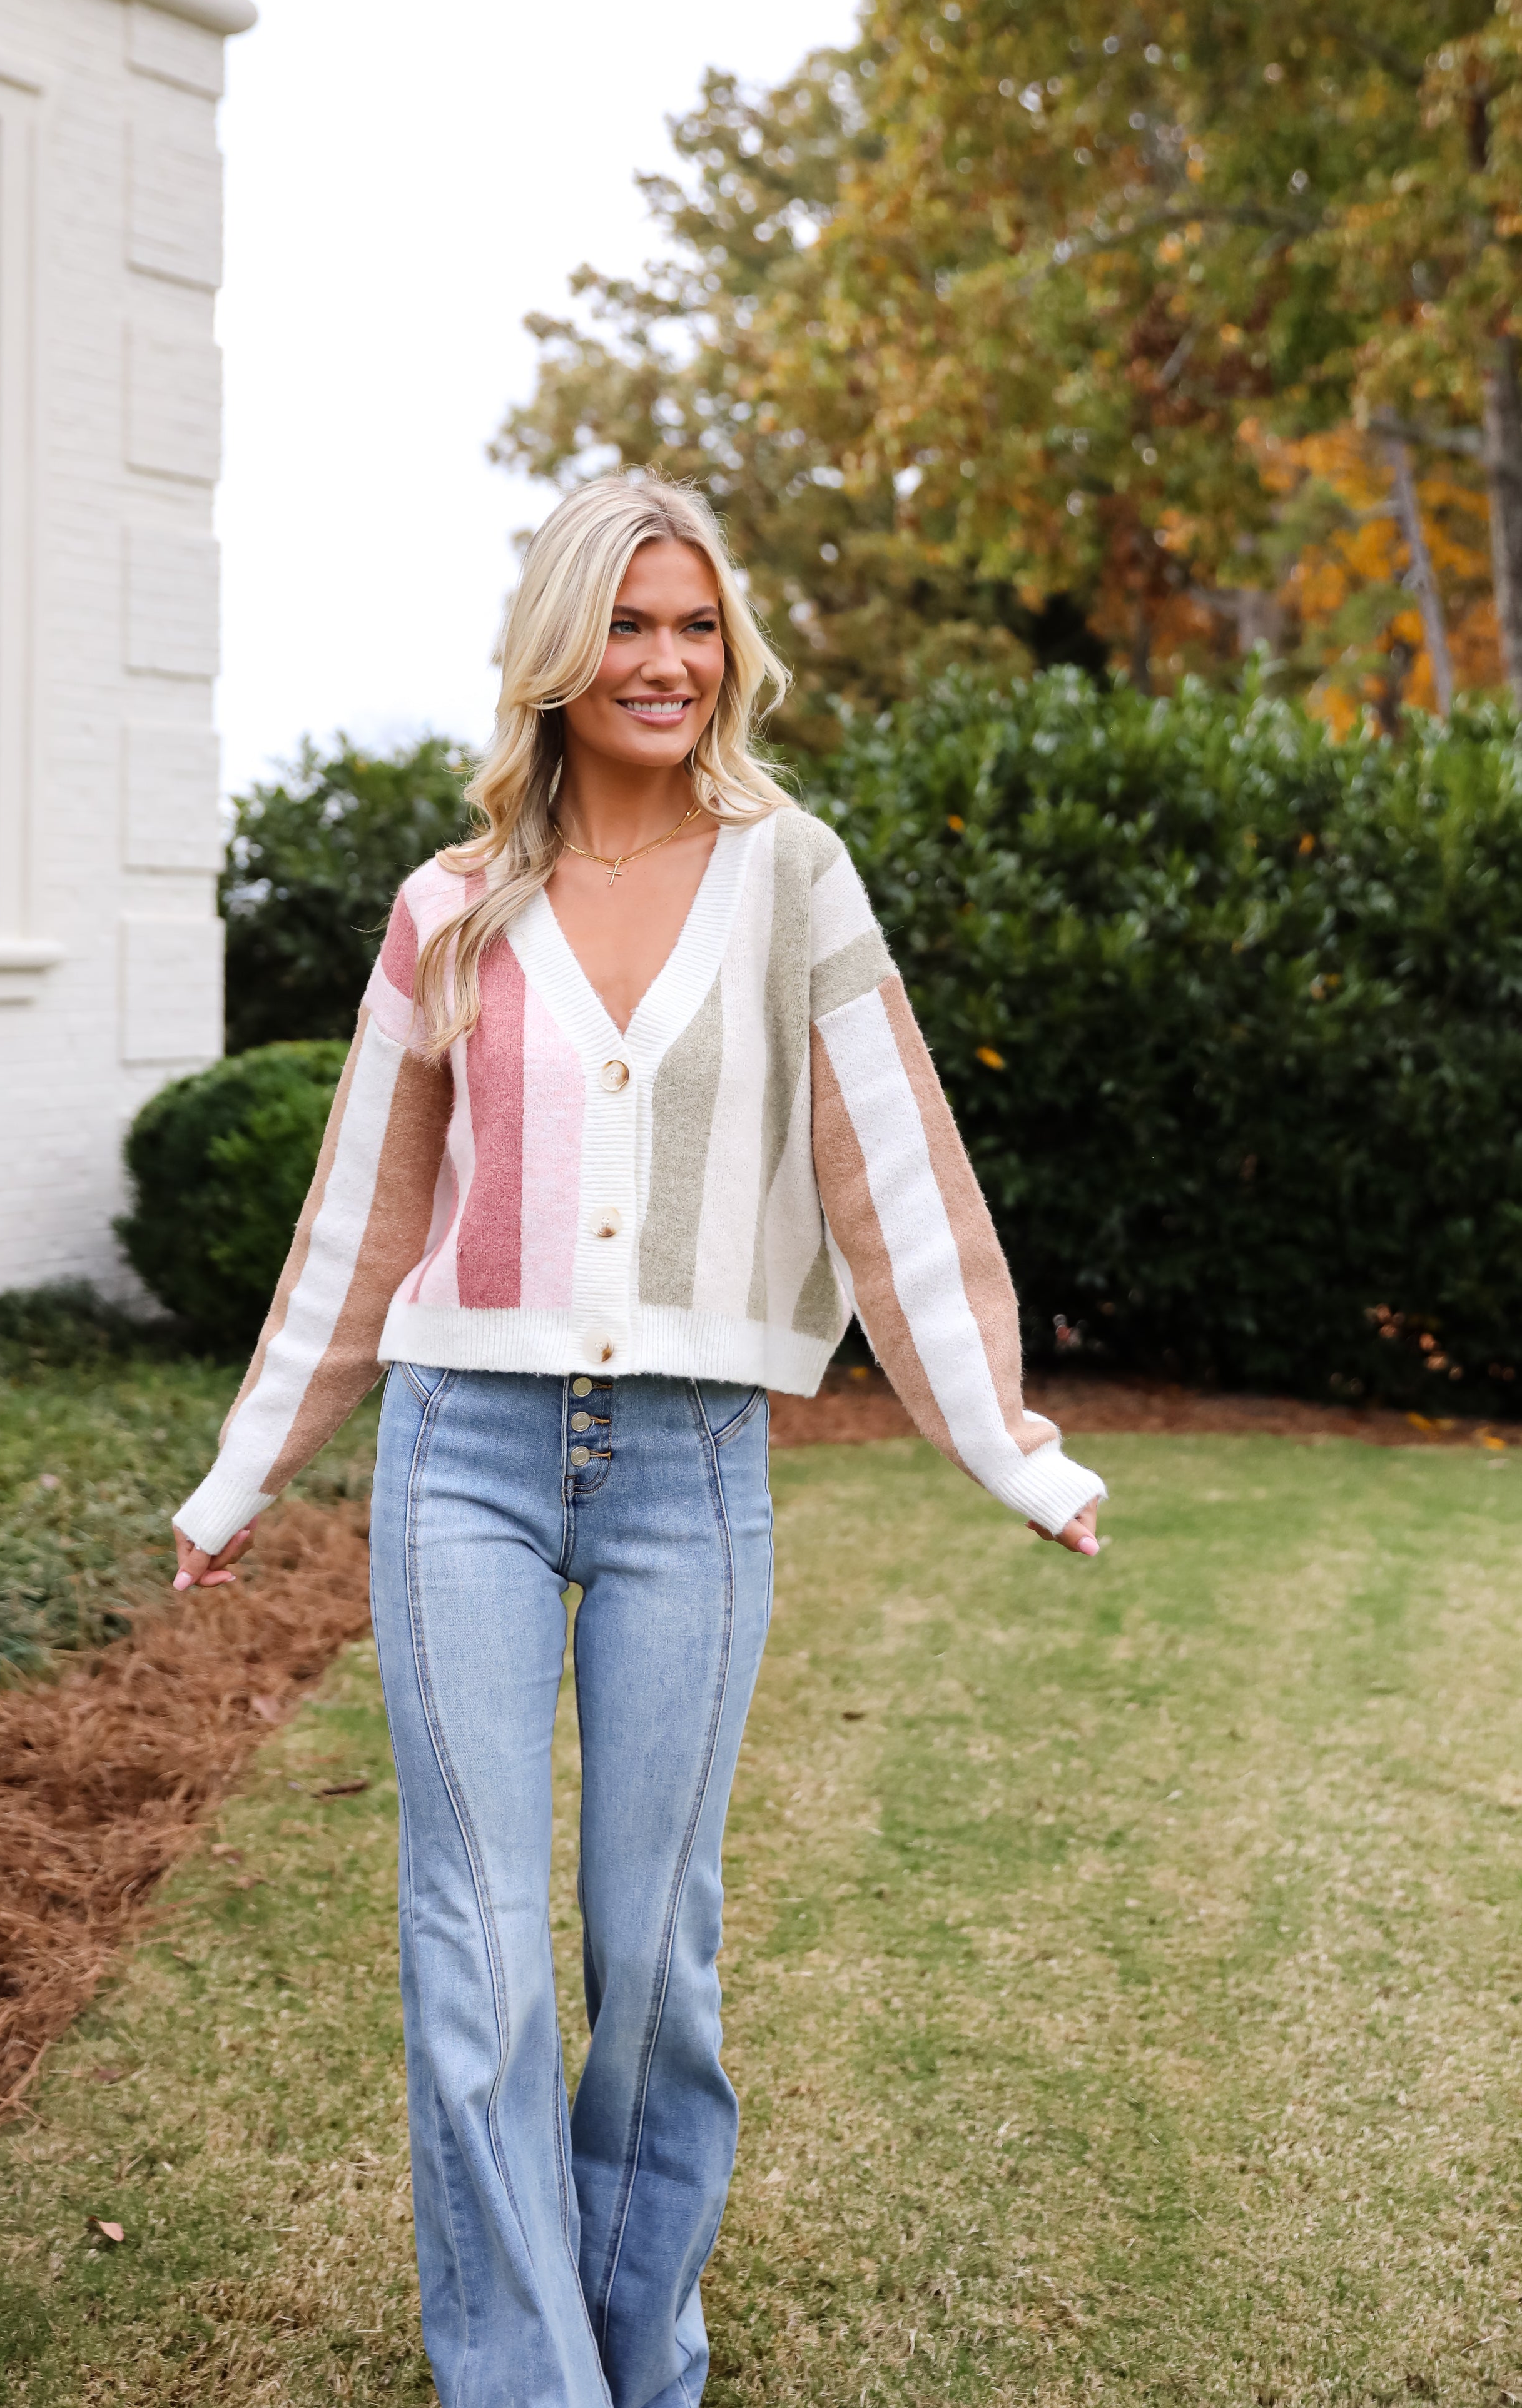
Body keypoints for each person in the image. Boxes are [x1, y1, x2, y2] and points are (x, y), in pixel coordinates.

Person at [168, 473, 1105, 2408]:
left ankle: (632, 2340)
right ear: (555, 649)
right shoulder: (446, 906)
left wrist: (1007, 1444)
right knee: (477, 1952)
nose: (664, 661)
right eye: (624, 623)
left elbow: (892, 1173)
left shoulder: (792, 876)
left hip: (688, 1469)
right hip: (461, 1459)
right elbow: (360, 1221)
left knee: (657, 1956)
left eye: (693, 625)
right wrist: (244, 1468)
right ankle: (527, 2379)